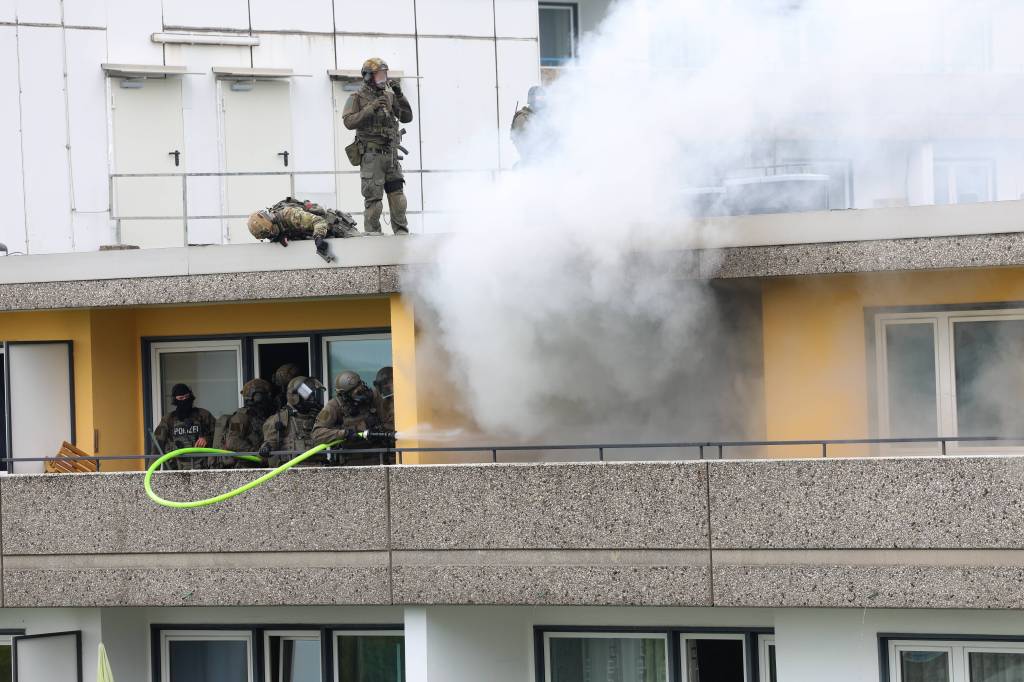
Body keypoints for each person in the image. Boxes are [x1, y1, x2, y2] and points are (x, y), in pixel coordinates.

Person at [342, 58, 414, 236]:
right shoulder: (356, 98)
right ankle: (374, 237)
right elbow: (349, 121)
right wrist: (371, 108)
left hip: (390, 155)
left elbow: (406, 117)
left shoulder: (389, 97)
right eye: (379, 75)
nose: (383, 79)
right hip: (371, 157)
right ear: (367, 77)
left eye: (385, 75)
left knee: (398, 197)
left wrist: (399, 95)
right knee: (374, 200)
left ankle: (402, 234)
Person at [312, 370, 393, 466]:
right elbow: (317, 434)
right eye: (356, 391)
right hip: (352, 463)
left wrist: (380, 429)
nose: (361, 391)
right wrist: (345, 433)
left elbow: (389, 422)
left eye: (360, 385)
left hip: (379, 459)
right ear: (345, 395)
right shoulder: (334, 406)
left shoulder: (374, 396)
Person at [247, 198, 358, 261]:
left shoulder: (290, 215)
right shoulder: (270, 228)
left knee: (359, 247)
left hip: (335, 226)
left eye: (271, 231)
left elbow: (319, 221)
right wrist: (281, 235)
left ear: (270, 220)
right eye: (268, 236)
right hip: (313, 232)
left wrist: (318, 238)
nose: (271, 235)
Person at [259, 375, 326, 466]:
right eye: (307, 396)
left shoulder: (317, 416)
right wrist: (266, 448)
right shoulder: (280, 418)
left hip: (319, 468)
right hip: (292, 470)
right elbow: (270, 442)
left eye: (312, 395)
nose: (312, 399)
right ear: (295, 397)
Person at [210, 378, 276, 468]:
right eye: (266, 394)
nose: (269, 397)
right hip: (243, 467)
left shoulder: (260, 416)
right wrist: (257, 453)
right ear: (257, 396)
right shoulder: (240, 417)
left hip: (256, 466)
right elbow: (233, 442)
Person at [152, 383, 216, 470]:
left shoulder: (204, 415)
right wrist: (152, 472)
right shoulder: (168, 419)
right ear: (175, 400)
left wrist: (206, 439)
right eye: (181, 398)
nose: (185, 400)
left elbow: (219, 437)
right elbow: (157, 445)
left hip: (203, 468)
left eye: (187, 397)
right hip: (176, 469)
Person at [511, 85, 547, 163]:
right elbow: (524, 141)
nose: (542, 99)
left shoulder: (543, 117)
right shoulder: (523, 117)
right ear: (532, 99)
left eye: (543, 97)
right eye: (539, 97)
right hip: (531, 161)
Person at [372, 366, 395, 432]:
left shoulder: (403, 399)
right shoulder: (378, 399)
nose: (386, 387)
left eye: (387, 383)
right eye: (384, 384)